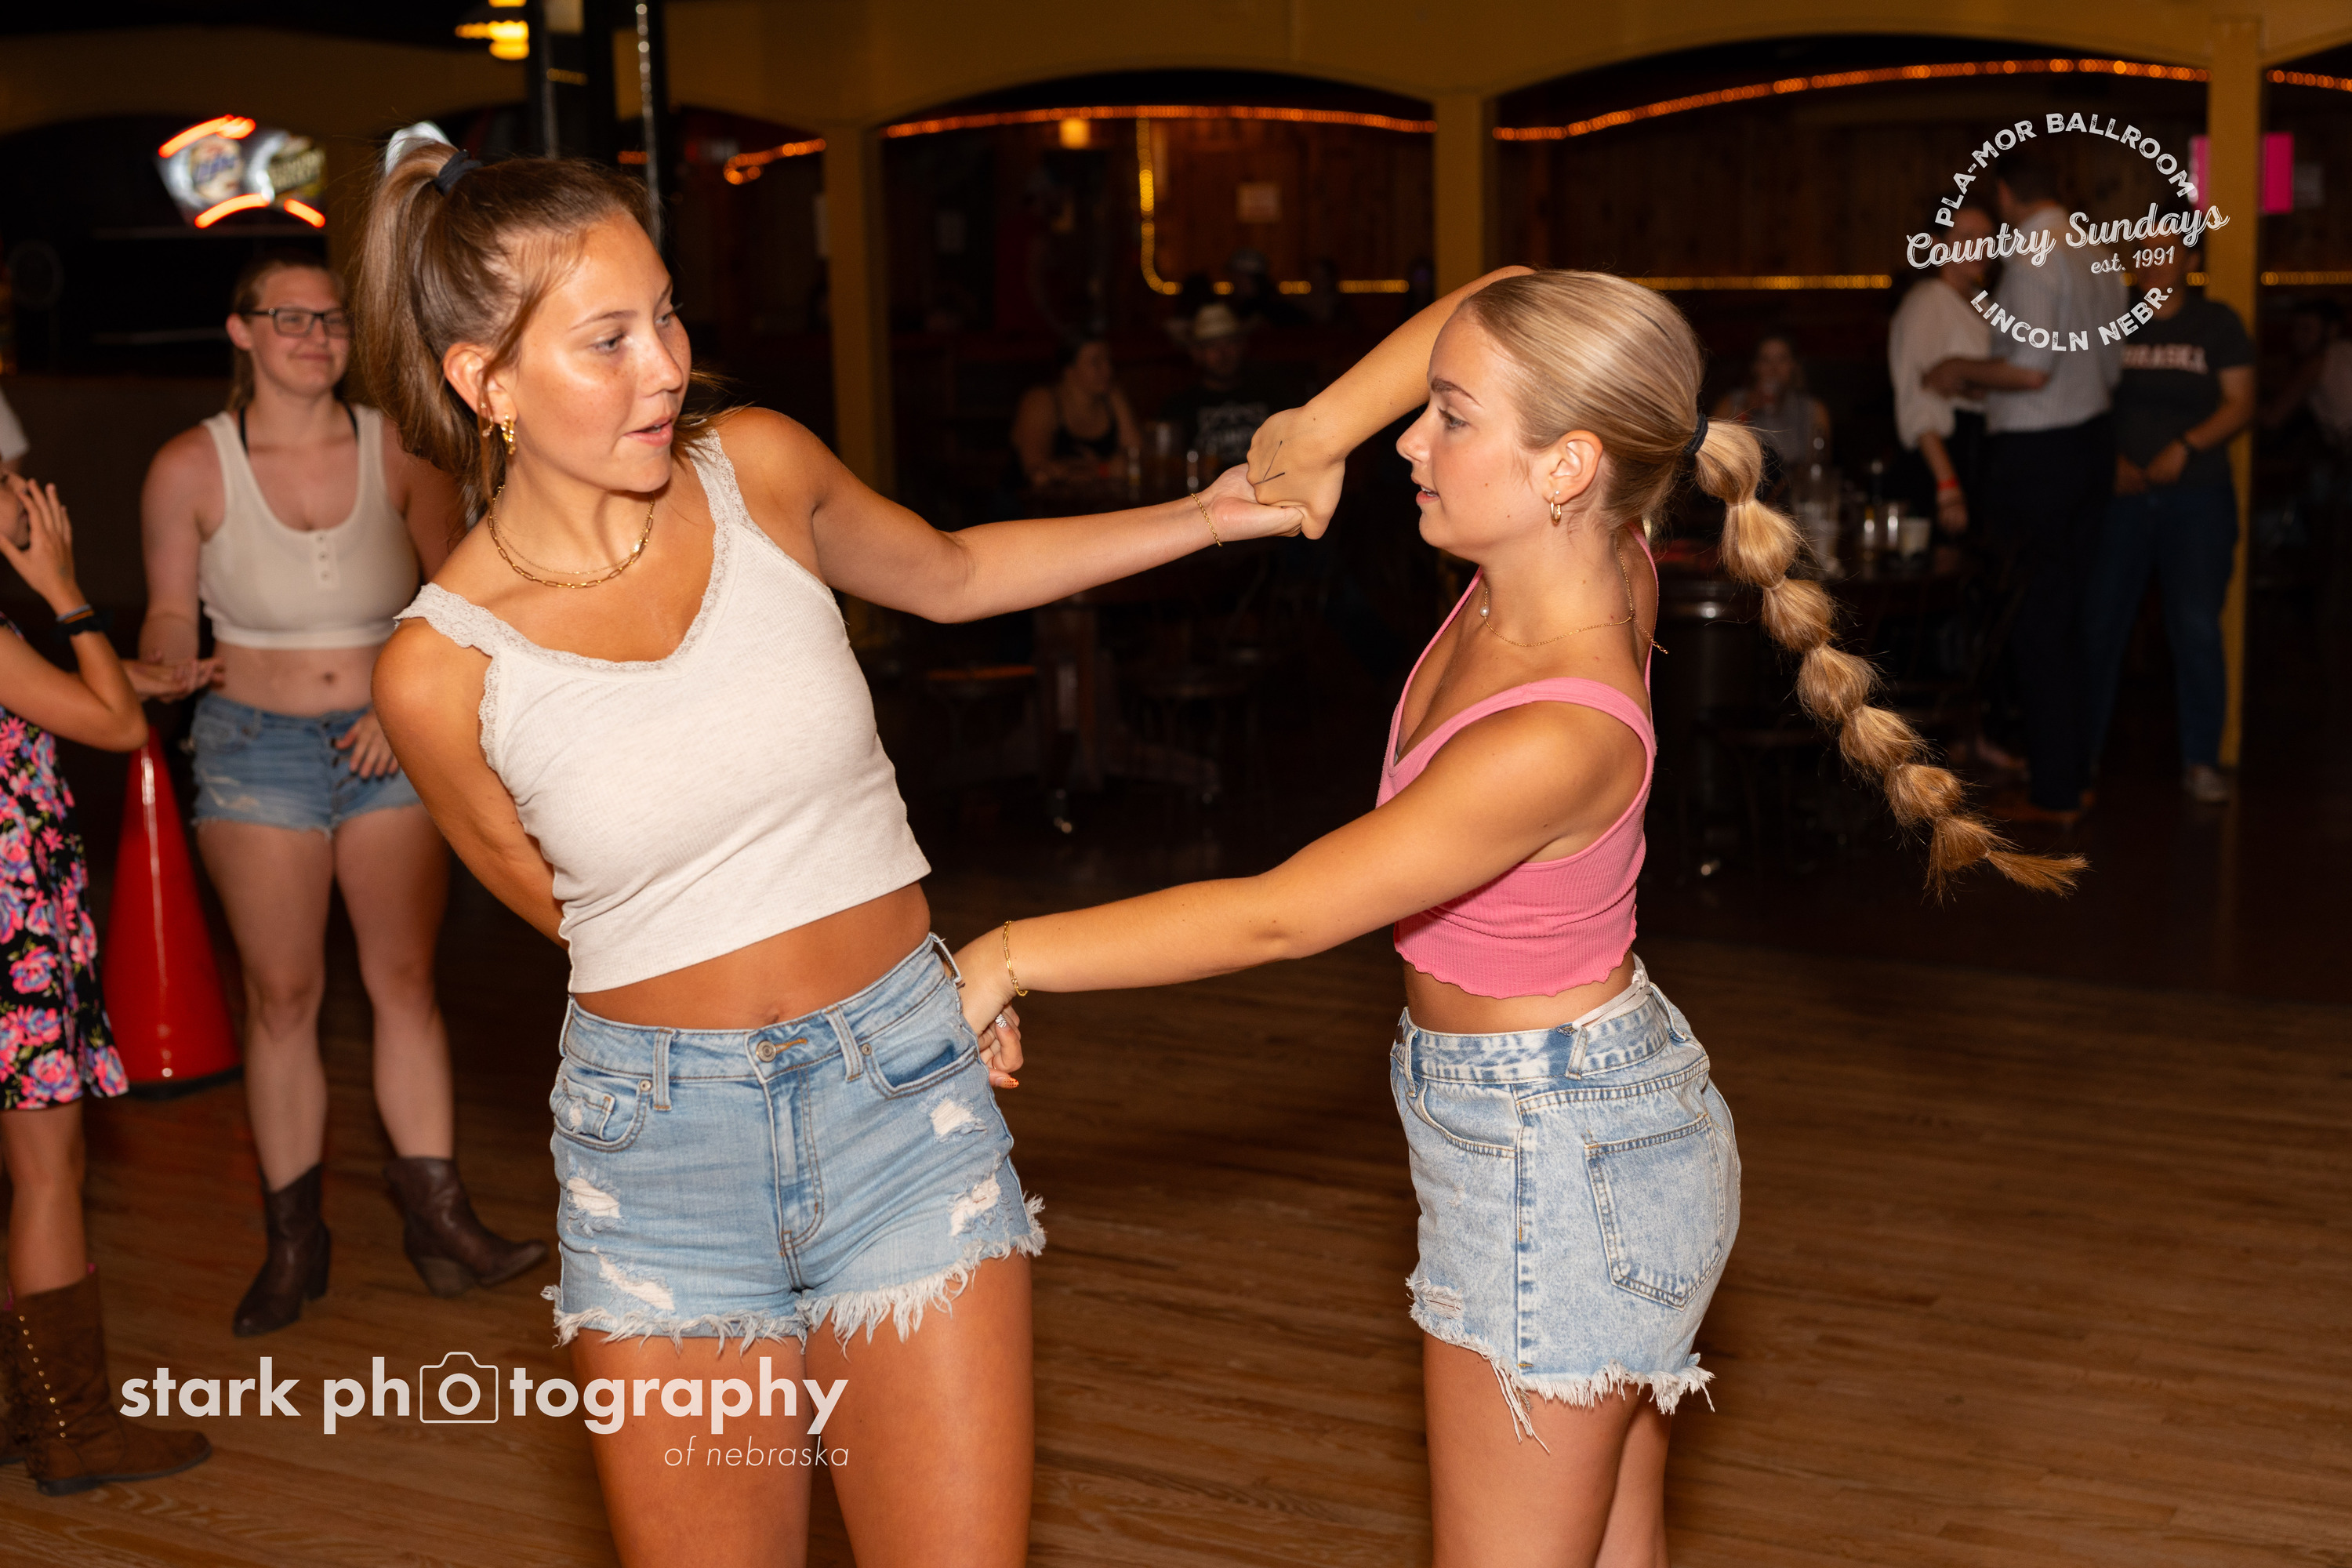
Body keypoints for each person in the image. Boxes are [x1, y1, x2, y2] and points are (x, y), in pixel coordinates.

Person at [950, 269, 2078, 1566]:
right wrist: (1321, 430)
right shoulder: (1577, 554)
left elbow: (1280, 917)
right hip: (1584, 1125)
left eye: (1450, 418)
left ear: (1567, 465)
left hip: (1558, 1161)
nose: (1410, 443)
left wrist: (1009, 952)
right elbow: (1493, 298)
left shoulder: (1552, 734)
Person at [354, 147, 1307, 1566]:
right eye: (607, 341)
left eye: (666, 316)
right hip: (661, 1155)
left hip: (900, 1102)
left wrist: (1210, 514)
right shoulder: (439, 672)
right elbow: (580, 915)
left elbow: (957, 576)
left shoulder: (759, 470)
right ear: (482, 381)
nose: (664, 368)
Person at [136, 249, 532, 1338]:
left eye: (333, 320)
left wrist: (404, 710)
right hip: (250, 746)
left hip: (386, 744)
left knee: (403, 981)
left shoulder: (397, 447)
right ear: (241, 332)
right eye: (290, 318)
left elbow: (459, 596)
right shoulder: (189, 465)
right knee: (283, 997)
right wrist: (164, 659)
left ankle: (440, 1220)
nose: (316, 337)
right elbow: (169, 609)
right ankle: (293, 1241)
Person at [0, 475, 211, 1495]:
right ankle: (74, 1432)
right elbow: (115, 730)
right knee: (46, 1174)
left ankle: (22, 1405)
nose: (25, 492)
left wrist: (125, 673)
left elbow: (44, 694)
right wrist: (67, 591)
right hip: (11, 935)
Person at [1926, 153, 2126, 825]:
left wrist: (1960, 367)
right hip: (2092, 444)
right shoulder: (2097, 251)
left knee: (2035, 620)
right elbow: (2107, 365)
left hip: (2041, 455)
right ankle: (2074, 776)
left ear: (2007, 194)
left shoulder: (2034, 254)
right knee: (2069, 615)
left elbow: (2032, 370)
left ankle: (2055, 793)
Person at [2082, 243, 2254, 804]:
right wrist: (2110, 460)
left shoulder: (2217, 322)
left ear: (2190, 260)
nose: (2153, 260)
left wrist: (2186, 446)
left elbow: (2240, 402)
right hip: (2122, 499)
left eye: (2166, 250)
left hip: (2197, 498)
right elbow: (2085, 396)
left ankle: (2201, 760)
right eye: (2145, 249)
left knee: (2197, 627)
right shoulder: (2114, 317)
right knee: (2100, 624)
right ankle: (2079, 759)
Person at [1890, 205, 1995, 533]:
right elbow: (1918, 401)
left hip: (1981, 450)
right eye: (1967, 237)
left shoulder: (1982, 301)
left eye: (1986, 237)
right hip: (1944, 456)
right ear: (1938, 244)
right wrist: (1948, 486)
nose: (1979, 247)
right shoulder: (1927, 301)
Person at [1160, 302, 1283, 471]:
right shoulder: (1178, 407)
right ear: (1196, 353)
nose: (1223, 353)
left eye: (1230, 343)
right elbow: (1168, 465)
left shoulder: (1274, 396)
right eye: (1212, 345)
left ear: (1243, 345)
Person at [1009, 335, 1139, 491]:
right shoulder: (1041, 401)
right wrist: (1103, 469)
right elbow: (1038, 472)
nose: (1108, 370)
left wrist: (1070, 469)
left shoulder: (1112, 395)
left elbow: (1135, 456)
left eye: (1108, 360)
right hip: (1027, 502)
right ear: (1069, 369)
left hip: (1093, 501)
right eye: (1095, 362)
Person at [1714, 329, 1832, 481]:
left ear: (1794, 365)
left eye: (1782, 359)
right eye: (1766, 360)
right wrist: (1745, 411)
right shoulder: (1731, 403)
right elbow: (1715, 459)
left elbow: (1821, 467)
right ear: (1755, 366)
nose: (1773, 369)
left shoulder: (1814, 410)